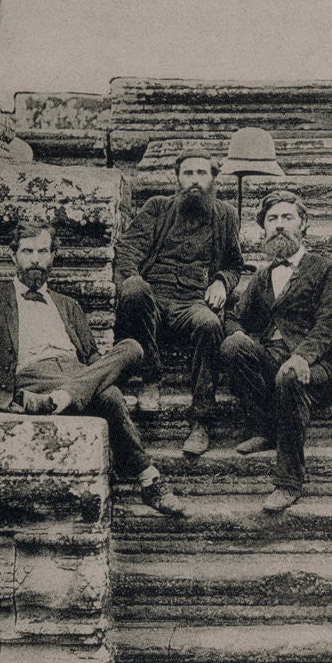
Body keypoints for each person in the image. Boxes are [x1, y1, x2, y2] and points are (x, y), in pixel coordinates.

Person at [0, 220, 188, 518]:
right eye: (27, 251)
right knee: (111, 397)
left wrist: (100, 376)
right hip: (33, 377)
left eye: (42, 251)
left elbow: (93, 357)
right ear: (13, 255)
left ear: (53, 256)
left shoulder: (69, 305)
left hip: (75, 373)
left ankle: (61, 399)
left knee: (132, 347)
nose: (35, 259)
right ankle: (150, 481)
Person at [112, 148, 245, 458]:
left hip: (193, 301)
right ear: (178, 179)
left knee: (210, 324)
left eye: (201, 173)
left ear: (213, 179)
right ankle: (151, 378)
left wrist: (221, 282)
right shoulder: (157, 207)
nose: (195, 180)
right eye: (188, 173)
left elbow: (234, 265)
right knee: (134, 291)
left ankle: (201, 421)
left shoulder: (226, 214)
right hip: (154, 298)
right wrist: (132, 281)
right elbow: (128, 250)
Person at [220, 191, 332, 513]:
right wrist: (239, 334)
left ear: (303, 224)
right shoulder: (263, 276)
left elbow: (328, 324)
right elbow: (234, 316)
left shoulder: (325, 269)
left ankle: (288, 483)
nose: (279, 225)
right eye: (272, 219)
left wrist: (302, 356)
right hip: (273, 356)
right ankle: (264, 429)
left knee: (289, 375)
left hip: (318, 364)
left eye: (287, 217)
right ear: (263, 228)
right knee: (234, 346)